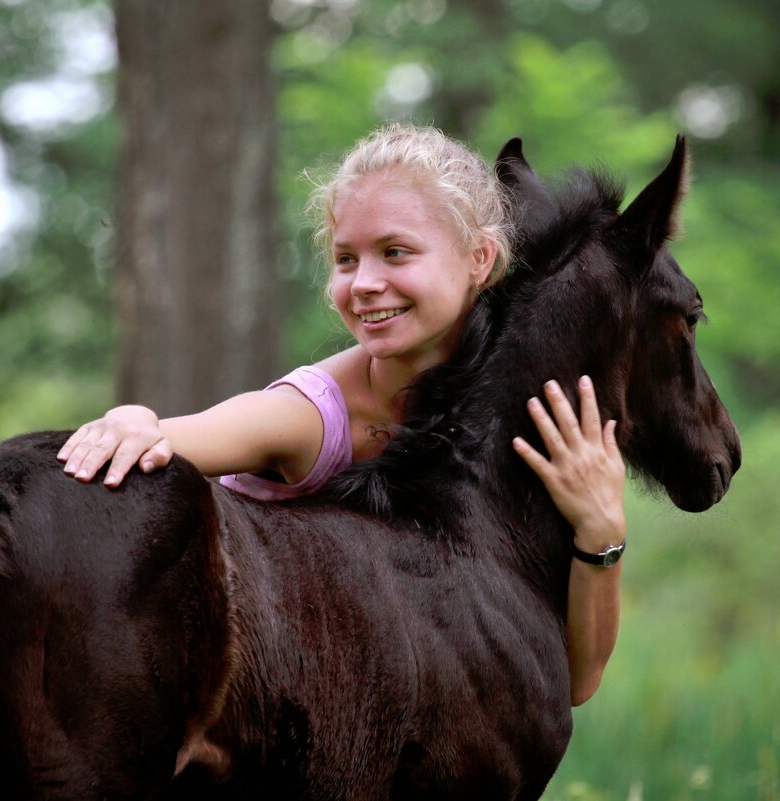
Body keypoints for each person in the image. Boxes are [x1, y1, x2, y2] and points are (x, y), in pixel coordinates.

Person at [56, 123, 625, 706]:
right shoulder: (310, 416)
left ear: (480, 257)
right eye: (346, 259)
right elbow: (184, 435)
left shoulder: (510, 427)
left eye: (395, 252)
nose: (365, 284)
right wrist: (135, 419)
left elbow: (577, 682)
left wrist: (602, 528)